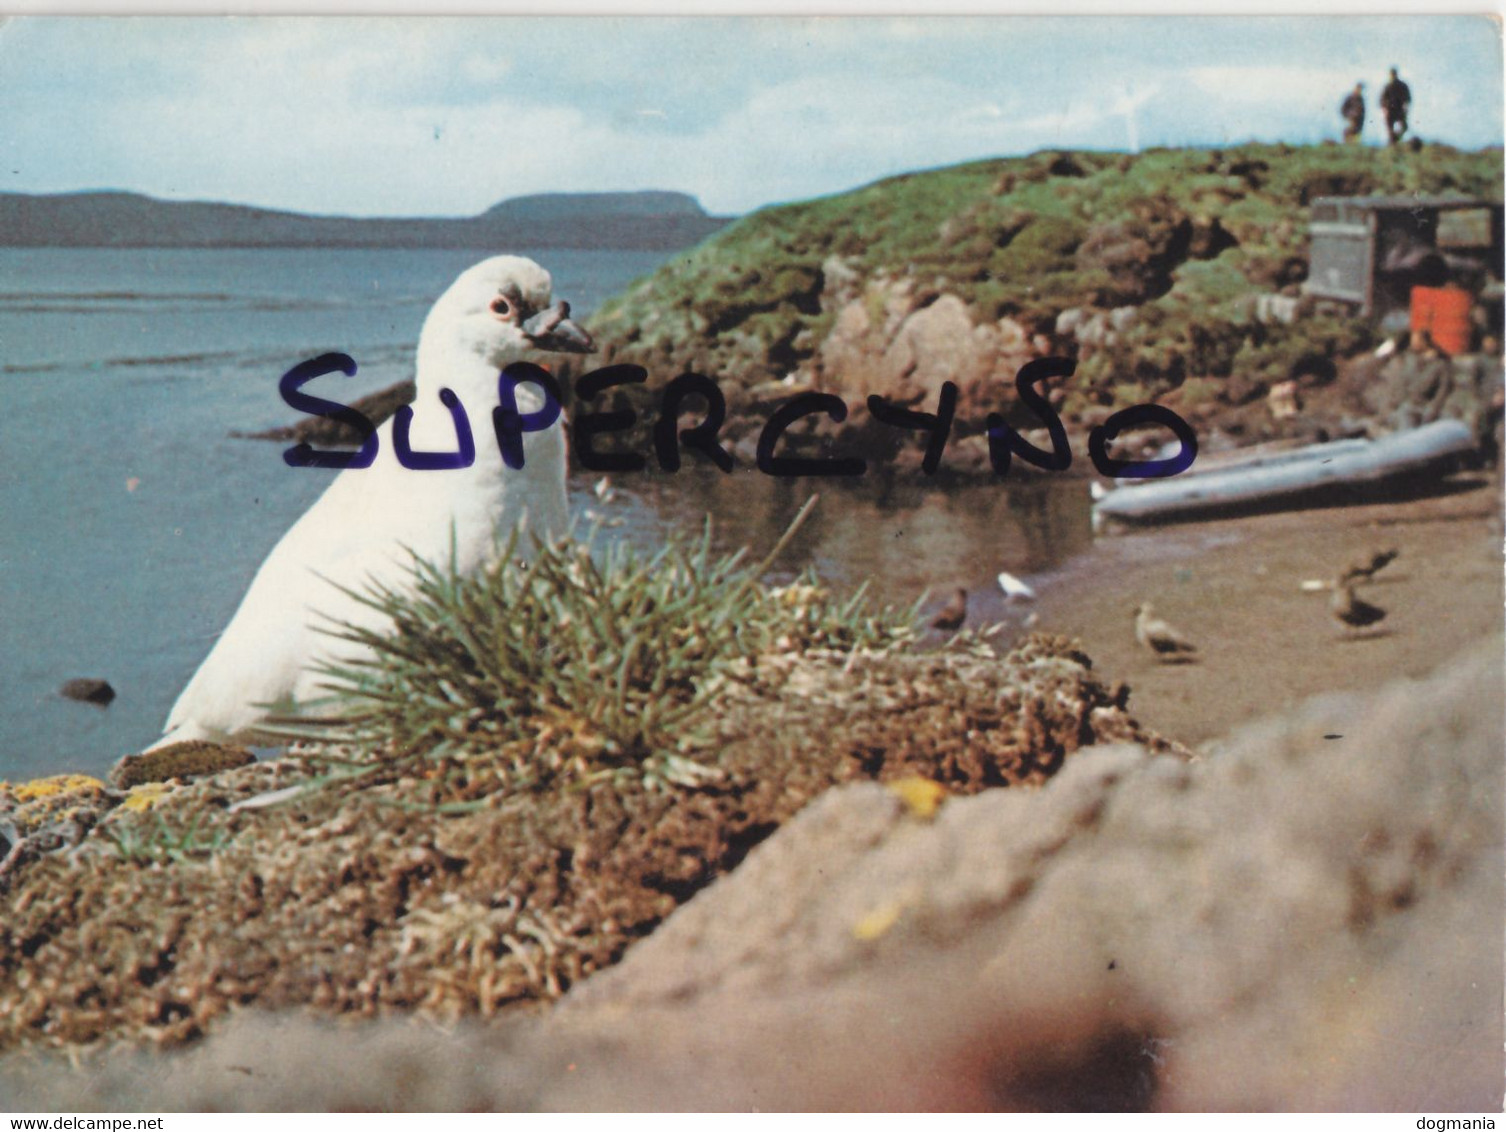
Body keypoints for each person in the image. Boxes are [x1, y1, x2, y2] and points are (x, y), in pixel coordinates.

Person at [1381, 67, 1412, 145]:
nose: (1392, 76)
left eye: (1393, 74)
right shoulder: (1387, 86)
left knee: (1404, 127)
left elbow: (1408, 98)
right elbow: (1381, 100)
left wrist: (1406, 107)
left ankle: (1395, 139)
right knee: (1390, 130)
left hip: (1399, 110)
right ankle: (1392, 143)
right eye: (1391, 75)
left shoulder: (1402, 86)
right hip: (1390, 111)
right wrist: (1385, 109)